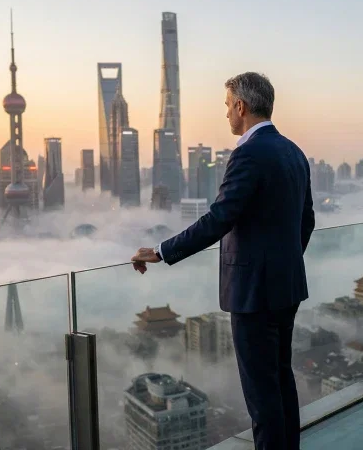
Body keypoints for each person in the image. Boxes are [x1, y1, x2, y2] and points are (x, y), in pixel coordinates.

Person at [131, 72, 314, 450]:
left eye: (228, 106)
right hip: (287, 286)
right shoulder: (294, 151)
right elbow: (306, 219)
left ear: (242, 107)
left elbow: (219, 218)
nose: (227, 114)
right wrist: (283, 263)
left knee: (262, 399)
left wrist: (162, 251)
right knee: (281, 381)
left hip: (253, 293)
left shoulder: (248, 153)